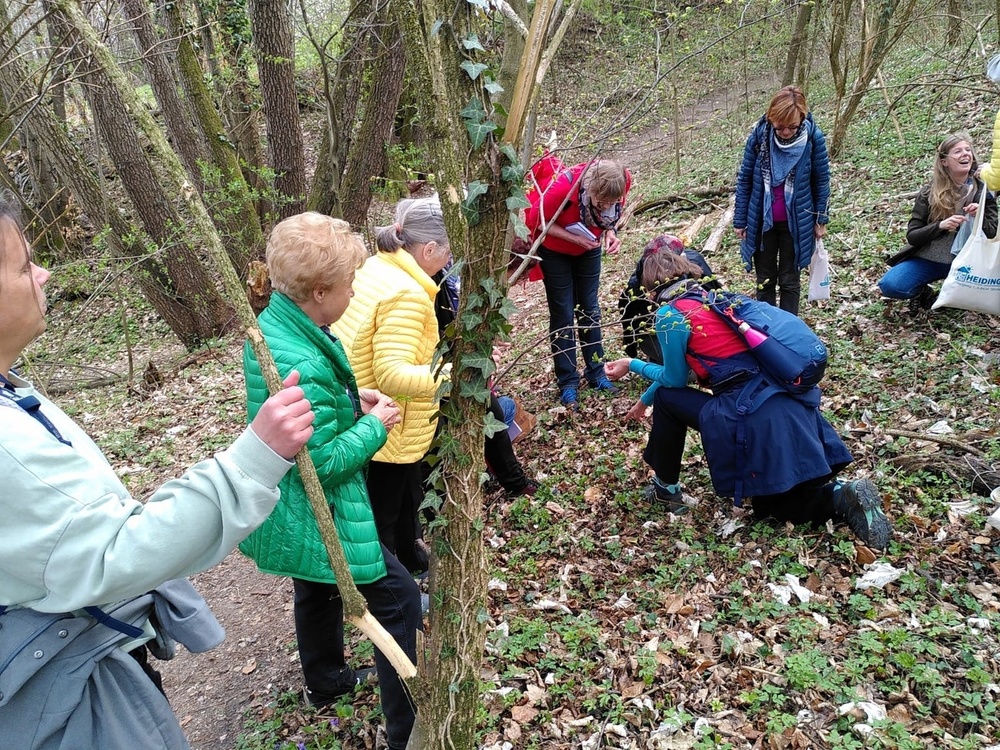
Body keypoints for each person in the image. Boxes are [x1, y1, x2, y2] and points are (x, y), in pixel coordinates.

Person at [0, 194, 316, 749]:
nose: (44, 272)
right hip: (65, 698)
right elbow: (114, 552)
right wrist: (257, 457)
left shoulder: (11, 391)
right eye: (25, 265)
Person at [240, 212, 420, 750]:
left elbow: (307, 419)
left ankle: (325, 680)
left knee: (316, 585)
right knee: (400, 600)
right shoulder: (299, 355)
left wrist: (348, 402)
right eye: (349, 283)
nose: (354, 291)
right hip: (315, 504)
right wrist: (373, 425)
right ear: (320, 292)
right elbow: (317, 465)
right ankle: (406, 732)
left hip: (293, 503)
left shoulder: (281, 323)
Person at [603, 246, 892, 550]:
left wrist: (631, 364)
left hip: (750, 414)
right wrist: (643, 401)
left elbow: (674, 380)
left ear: (650, 288)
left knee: (776, 509)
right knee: (784, 495)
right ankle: (841, 492)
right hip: (787, 400)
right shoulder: (713, 299)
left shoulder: (670, 315)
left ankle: (665, 487)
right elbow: (685, 371)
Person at [332, 197, 451, 575]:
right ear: (429, 249)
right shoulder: (409, 294)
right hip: (388, 421)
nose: (449, 263)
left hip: (365, 410)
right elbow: (393, 375)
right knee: (383, 512)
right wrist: (453, 375)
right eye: (447, 253)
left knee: (405, 496)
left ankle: (412, 558)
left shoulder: (377, 265)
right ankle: (384, 589)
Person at [530, 157, 631, 408]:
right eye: (601, 202)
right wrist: (573, 240)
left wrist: (611, 232)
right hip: (554, 251)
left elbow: (612, 217)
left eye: (612, 202)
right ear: (591, 188)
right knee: (563, 312)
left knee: (590, 309)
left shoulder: (622, 180)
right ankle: (567, 382)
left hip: (589, 247)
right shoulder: (565, 186)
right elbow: (537, 220)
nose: (607, 206)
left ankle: (597, 372)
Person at [432, 264, 537, 498]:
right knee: (493, 415)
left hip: (462, 370)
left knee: (498, 413)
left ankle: (511, 481)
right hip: (445, 377)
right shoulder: (426, 286)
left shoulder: (446, 275)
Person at [734, 85, 830, 316]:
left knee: (790, 280)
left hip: (796, 223)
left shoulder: (812, 139)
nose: (786, 132)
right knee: (765, 281)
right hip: (761, 221)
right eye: (780, 126)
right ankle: (768, 329)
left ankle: (790, 330)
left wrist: (821, 219)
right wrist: (740, 219)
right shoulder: (759, 136)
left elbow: (821, 180)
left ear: (802, 118)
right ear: (771, 118)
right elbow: (745, 177)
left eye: (792, 126)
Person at [880, 133, 997, 312]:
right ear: (944, 161)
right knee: (891, 285)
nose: (965, 154)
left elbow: (992, 233)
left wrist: (978, 215)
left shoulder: (984, 190)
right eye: (957, 151)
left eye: (968, 150)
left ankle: (954, 294)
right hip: (930, 260)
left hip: (969, 263)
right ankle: (924, 294)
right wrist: (940, 226)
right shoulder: (930, 192)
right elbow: (913, 236)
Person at [618, 233, 721, 363]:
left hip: (698, 326)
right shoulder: (637, 284)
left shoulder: (695, 262)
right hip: (657, 331)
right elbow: (629, 318)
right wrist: (631, 349)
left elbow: (716, 295)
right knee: (670, 361)